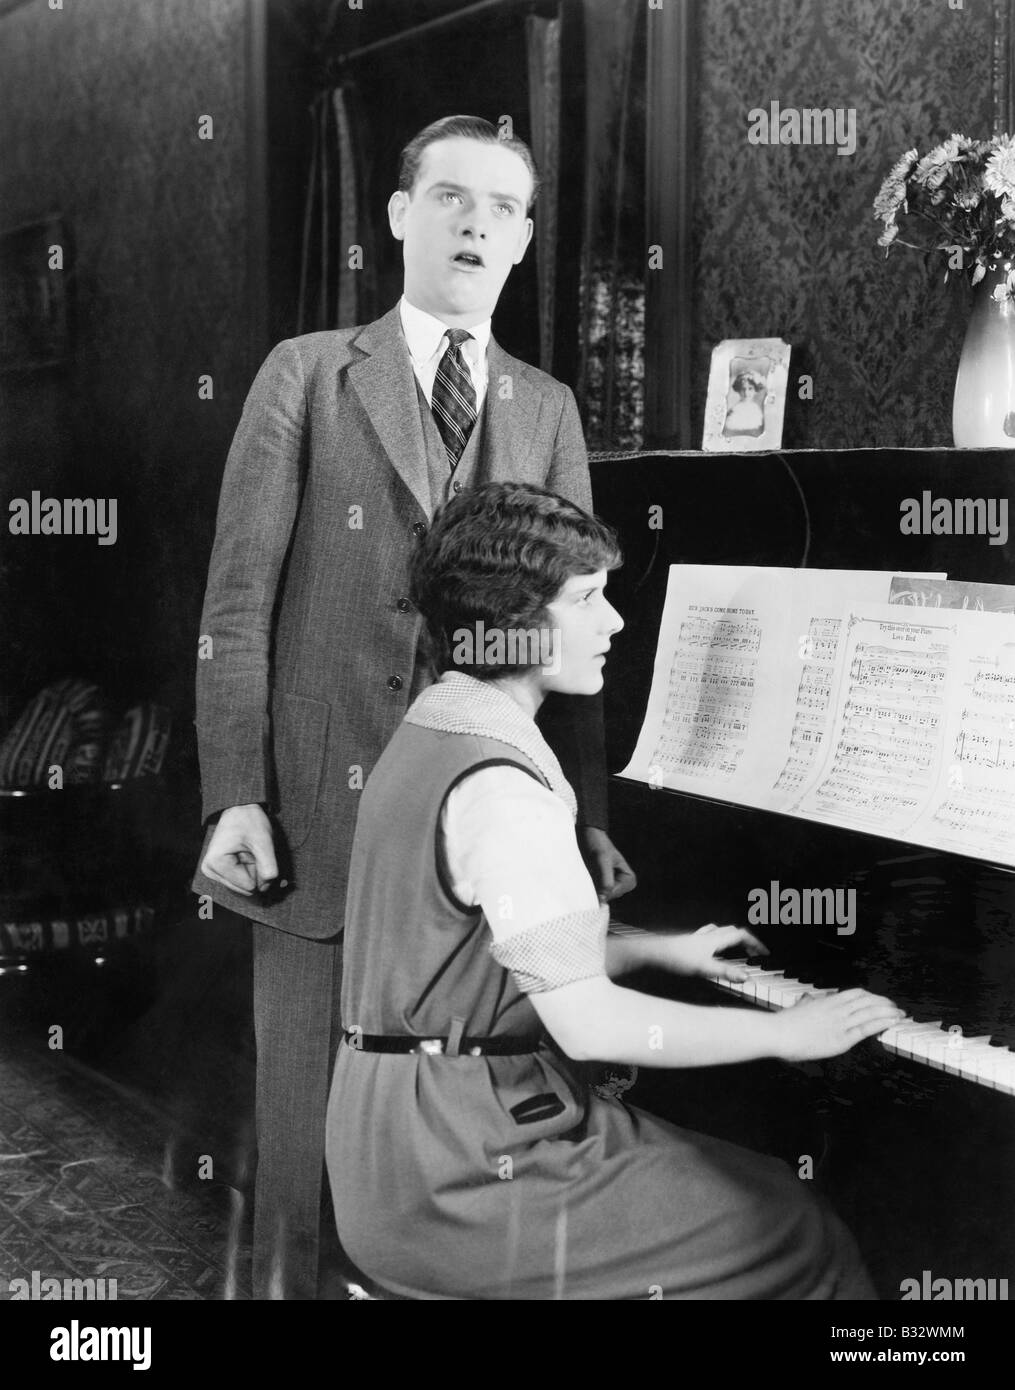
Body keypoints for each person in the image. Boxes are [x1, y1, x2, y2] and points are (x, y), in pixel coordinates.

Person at [192, 116, 634, 1300]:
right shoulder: (307, 373)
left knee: (459, 1153)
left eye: (502, 206)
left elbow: (567, 629)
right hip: (315, 837)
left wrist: (580, 818)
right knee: (302, 1154)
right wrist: (236, 792)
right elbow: (235, 606)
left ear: (527, 238)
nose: (476, 222)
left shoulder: (544, 410)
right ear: (397, 216)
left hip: (475, 845)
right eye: (449, 197)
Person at [325, 481, 904, 1300]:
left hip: (386, 1138)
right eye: (587, 599)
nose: (615, 623)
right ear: (514, 624)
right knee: (791, 1226)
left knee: (755, 1185)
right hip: (464, 1168)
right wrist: (787, 1032)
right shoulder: (505, 789)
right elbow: (588, 1024)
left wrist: (662, 949)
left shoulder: (436, 727)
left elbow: (486, 952)